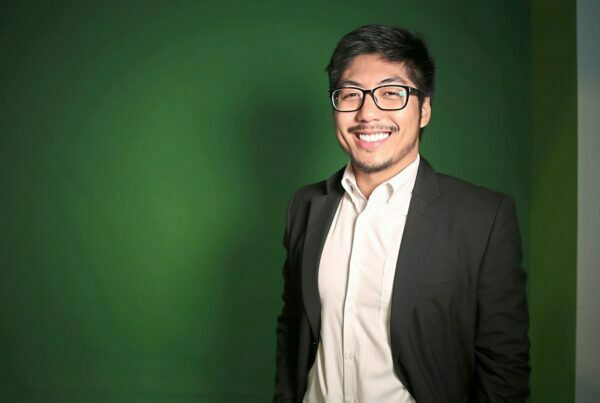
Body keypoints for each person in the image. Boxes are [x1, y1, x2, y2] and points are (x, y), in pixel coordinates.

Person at [273, 24, 530, 403]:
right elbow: (293, 327)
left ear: (424, 110)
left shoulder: (484, 219)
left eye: (391, 93)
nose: (367, 113)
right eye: (350, 94)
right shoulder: (306, 206)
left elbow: (505, 367)